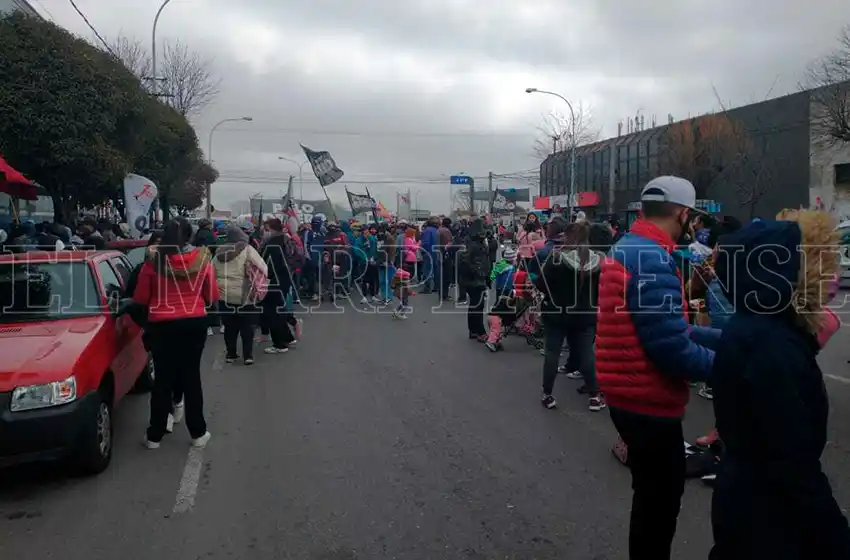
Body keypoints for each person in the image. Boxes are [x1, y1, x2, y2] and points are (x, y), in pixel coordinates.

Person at [710, 211, 850, 559]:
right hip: (769, 519)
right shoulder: (773, 347)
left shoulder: (755, 326)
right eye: (819, 265)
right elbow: (794, 466)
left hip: (744, 502)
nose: (830, 278)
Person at [596, 176, 720, 560]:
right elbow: (672, 350)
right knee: (658, 504)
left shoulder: (629, 247)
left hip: (625, 389)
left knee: (650, 496)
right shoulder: (650, 257)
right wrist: (734, 366)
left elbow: (670, 329)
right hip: (646, 398)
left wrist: (732, 341)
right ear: (683, 213)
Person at [133, 217, 216, 449]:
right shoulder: (202, 259)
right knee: (191, 378)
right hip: (194, 322)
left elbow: (141, 298)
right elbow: (212, 295)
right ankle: (198, 433)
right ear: (190, 236)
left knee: (162, 380)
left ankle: (154, 436)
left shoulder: (152, 262)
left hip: (161, 325)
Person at [535, 221, 605, 411]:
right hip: (585, 315)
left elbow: (541, 285)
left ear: (568, 236)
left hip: (556, 314)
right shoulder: (598, 260)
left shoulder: (556, 258)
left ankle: (547, 395)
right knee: (586, 354)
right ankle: (594, 396)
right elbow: (602, 289)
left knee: (552, 353)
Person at [213, 226, 267, 365]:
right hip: (245, 294)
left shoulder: (219, 252)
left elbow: (211, 271)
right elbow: (264, 268)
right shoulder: (248, 249)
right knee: (247, 326)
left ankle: (231, 354)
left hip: (224, 294)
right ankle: (248, 356)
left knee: (230, 326)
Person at [260, 218, 298, 353]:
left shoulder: (273, 242)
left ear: (271, 229)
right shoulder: (286, 238)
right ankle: (288, 337)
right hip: (285, 278)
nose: (264, 232)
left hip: (274, 280)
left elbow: (268, 264)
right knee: (278, 308)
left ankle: (279, 344)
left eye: (266, 229)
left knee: (271, 311)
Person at [458, 218, 492, 341]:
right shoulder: (474, 245)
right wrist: (478, 272)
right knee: (478, 306)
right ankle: (479, 331)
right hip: (475, 280)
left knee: (474, 305)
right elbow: (466, 261)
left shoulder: (472, 242)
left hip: (473, 280)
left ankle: (473, 331)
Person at [420, 218, 439, 293]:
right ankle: (436, 287)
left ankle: (427, 288)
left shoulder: (427, 230)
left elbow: (425, 243)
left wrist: (423, 252)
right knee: (435, 270)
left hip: (428, 252)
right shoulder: (436, 230)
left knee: (427, 270)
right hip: (436, 252)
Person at [437, 217, 454, 301]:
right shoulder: (446, 231)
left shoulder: (438, 230)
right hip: (445, 255)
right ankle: (445, 294)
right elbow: (449, 243)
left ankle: (441, 293)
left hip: (438, 254)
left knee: (441, 275)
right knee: (446, 276)